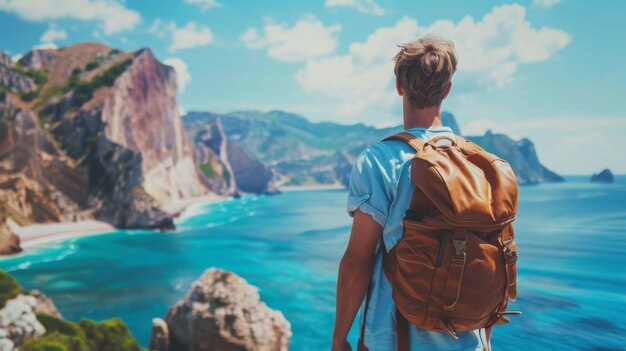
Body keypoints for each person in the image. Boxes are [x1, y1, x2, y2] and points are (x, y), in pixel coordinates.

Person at [332, 36, 490, 351]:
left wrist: (339, 339)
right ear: (447, 90)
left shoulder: (378, 160)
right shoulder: (479, 164)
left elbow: (357, 261)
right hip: (471, 342)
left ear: (399, 86)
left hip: (394, 341)